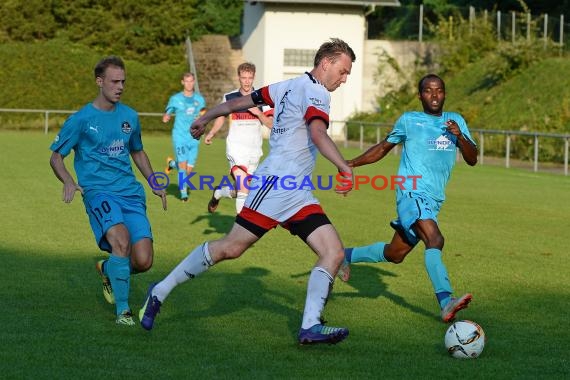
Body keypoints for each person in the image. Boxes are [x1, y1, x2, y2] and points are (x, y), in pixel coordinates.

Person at [140, 38, 356, 345]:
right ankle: (159, 291)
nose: (344, 78)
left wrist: (205, 117)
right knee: (231, 247)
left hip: (296, 191)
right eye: (343, 71)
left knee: (333, 252)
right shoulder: (316, 92)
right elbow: (318, 133)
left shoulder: (286, 86)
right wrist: (344, 167)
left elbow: (236, 103)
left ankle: (309, 326)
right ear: (326, 63)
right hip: (275, 185)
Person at [337, 74, 478, 323]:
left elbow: (472, 158)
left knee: (395, 253)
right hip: (410, 192)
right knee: (434, 239)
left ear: (445, 93)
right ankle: (446, 301)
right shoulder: (410, 121)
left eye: (439, 91)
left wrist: (460, 136)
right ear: (420, 95)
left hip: (433, 201)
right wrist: (350, 163)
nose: (434, 95)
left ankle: (342, 256)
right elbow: (382, 148)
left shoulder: (455, 121)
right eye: (428, 91)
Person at [49, 56, 167, 326]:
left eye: (123, 81)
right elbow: (56, 157)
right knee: (121, 240)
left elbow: (137, 150)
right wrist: (67, 180)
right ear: (99, 82)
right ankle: (123, 313)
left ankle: (107, 268)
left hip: (130, 194)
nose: (120, 86)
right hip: (98, 192)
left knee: (144, 260)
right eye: (114, 81)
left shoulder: (130, 117)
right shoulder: (81, 120)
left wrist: (153, 181)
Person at [204, 62, 274, 214]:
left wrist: (258, 113)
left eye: (250, 78)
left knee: (242, 190)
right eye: (244, 78)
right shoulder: (230, 97)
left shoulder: (263, 98)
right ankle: (241, 230)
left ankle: (219, 193)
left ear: (254, 77)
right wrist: (212, 133)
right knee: (243, 190)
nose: (247, 81)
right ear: (239, 78)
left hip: (254, 151)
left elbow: (270, 124)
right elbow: (221, 116)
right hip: (236, 149)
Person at [163, 72, 207, 202]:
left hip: (194, 137)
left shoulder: (199, 99)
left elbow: (204, 114)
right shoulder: (175, 98)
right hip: (180, 136)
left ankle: (171, 163)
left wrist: (202, 118)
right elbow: (168, 111)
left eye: (191, 81)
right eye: (186, 81)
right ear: (182, 82)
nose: (189, 83)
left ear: (194, 82)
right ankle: (184, 195)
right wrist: (167, 116)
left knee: (188, 170)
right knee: (183, 167)